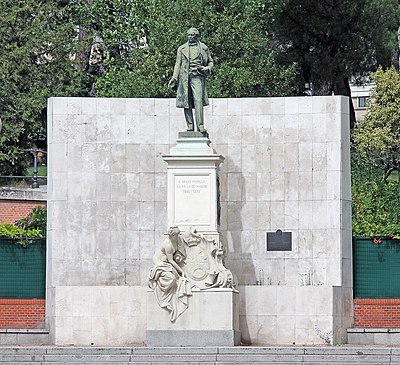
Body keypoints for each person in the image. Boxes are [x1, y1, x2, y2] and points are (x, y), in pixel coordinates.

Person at [168, 28, 213, 135]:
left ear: (196, 36)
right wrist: (174, 78)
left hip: (197, 76)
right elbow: (177, 64)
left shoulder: (203, 48)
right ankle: (190, 125)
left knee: (198, 100)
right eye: (188, 35)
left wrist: (206, 68)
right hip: (184, 78)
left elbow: (211, 62)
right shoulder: (181, 48)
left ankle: (200, 125)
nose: (190, 37)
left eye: (192, 35)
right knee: (186, 101)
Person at [148, 227, 192, 322]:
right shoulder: (167, 245)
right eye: (176, 235)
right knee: (172, 278)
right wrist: (181, 271)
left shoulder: (177, 239)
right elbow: (171, 260)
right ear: (171, 235)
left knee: (175, 278)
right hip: (161, 263)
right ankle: (165, 300)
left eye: (178, 234)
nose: (177, 236)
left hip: (168, 263)